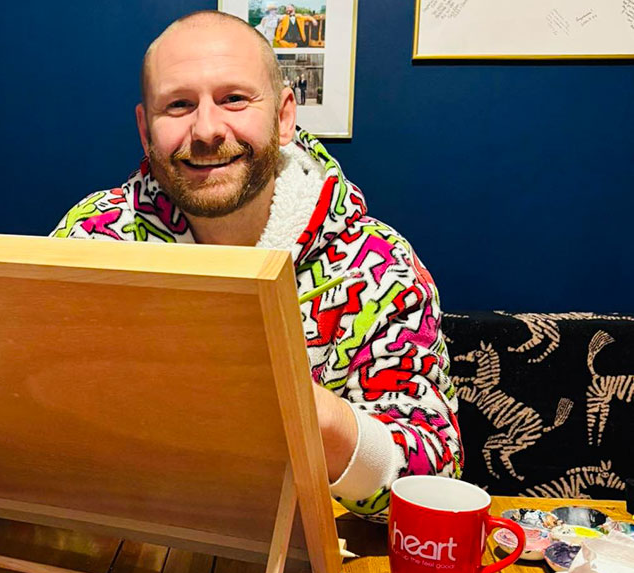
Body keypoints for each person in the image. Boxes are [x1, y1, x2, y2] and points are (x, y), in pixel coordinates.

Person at [51, 10, 463, 522]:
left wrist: (308, 413)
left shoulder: (378, 268)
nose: (205, 129)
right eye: (178, 105)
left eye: (234, 99)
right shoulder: (93, 240)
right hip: (121, 545)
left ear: (285, 115)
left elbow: (434, 478)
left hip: (304, 567)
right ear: (144, 128)